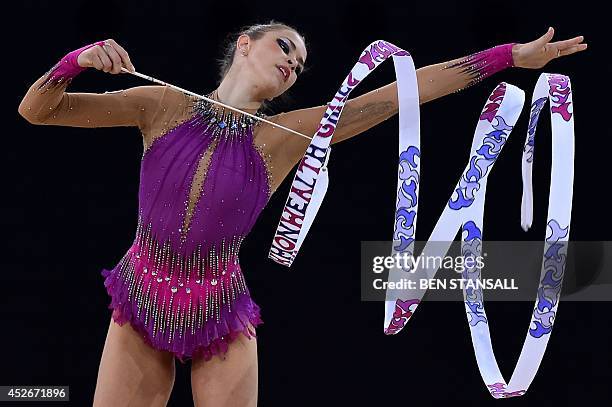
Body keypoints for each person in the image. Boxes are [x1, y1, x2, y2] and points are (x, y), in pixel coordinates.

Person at [17, 20, 586, 407]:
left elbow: (393, 98)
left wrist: (508, 56)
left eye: (301, 64)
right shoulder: (161, 103)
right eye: (284, 47)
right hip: (142, 296)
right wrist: (74, 62)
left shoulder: (283, 137)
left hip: (220, 309)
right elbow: (37, 111)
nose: (292, 64)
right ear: (245, 43)